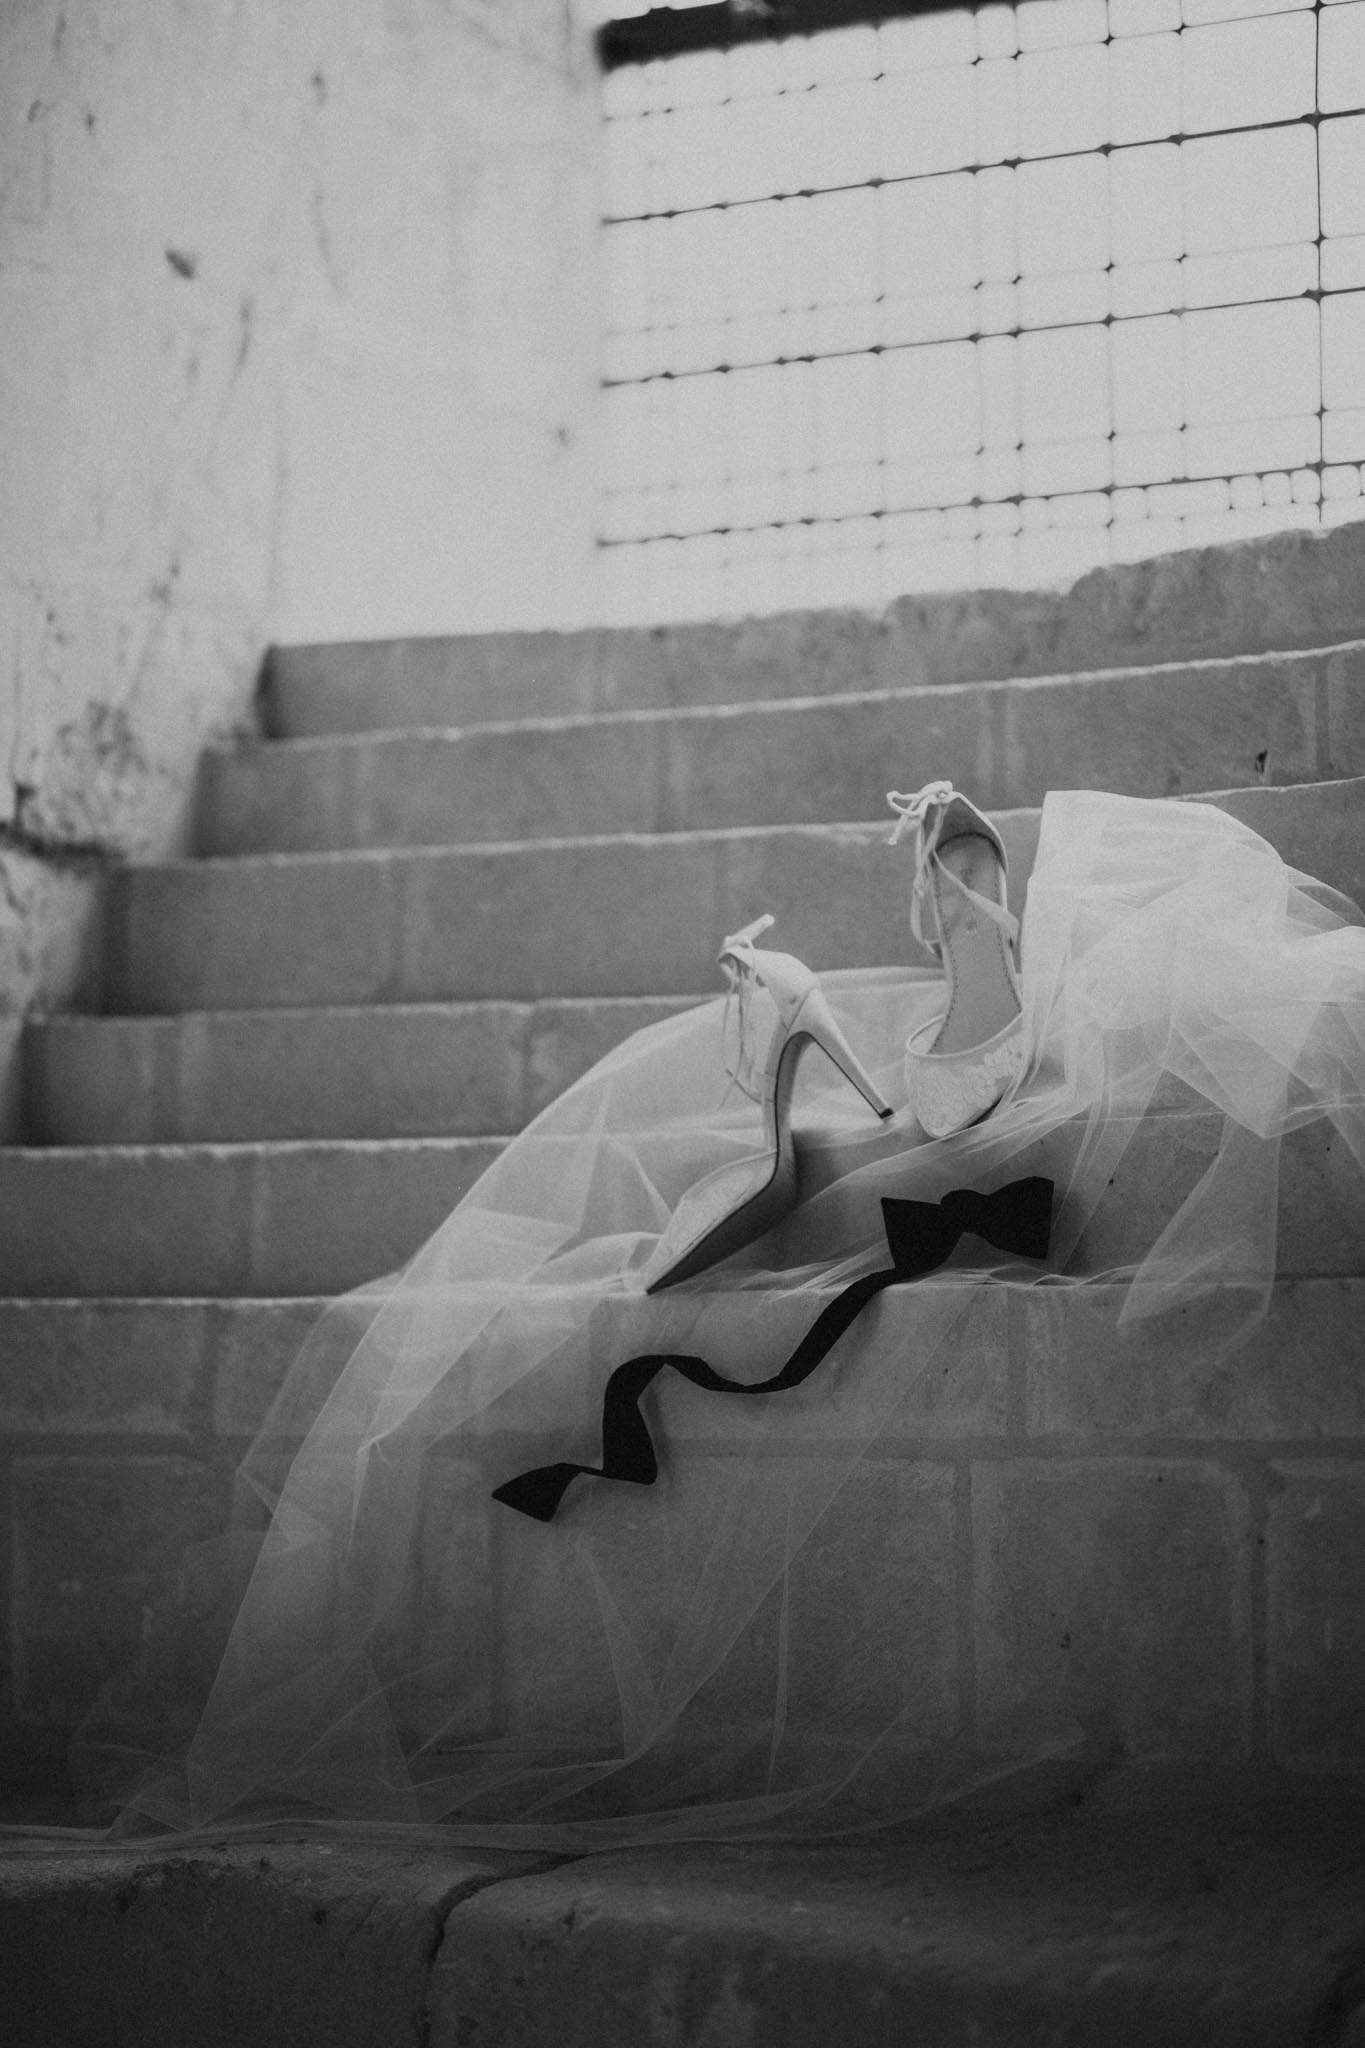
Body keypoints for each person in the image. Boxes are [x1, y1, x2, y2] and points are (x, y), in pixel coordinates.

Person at [70, 783, 1365, 1852]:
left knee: (787, 1185)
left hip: (934, 1133)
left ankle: (799, 1058)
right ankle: (833, 1092)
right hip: (951, 1127)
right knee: (834, 1172)